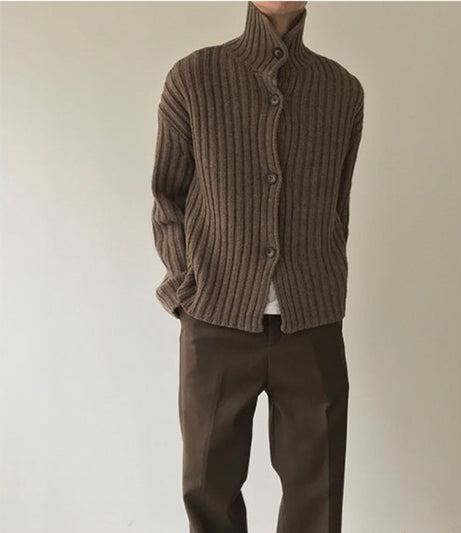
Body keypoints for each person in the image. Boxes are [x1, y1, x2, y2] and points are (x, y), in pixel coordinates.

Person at [151, 2, 364, 531]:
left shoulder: (342, 90)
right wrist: (187, 289)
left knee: (318, 494)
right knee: (208, 490)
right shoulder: (194, 77)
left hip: (312, 324)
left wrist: (322, 285)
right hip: (215, 320)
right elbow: (168, 198)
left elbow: (337, 208)